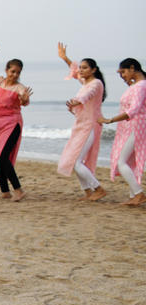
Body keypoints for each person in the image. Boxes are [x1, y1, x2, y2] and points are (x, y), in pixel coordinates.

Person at [0, 46, 33, 201]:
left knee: (3, 158)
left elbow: (25, 100)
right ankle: (5, 191)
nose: (15, 75)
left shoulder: (19, 88)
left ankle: (18, 190)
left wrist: (24, 99)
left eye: (18, 72)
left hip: (12, 124)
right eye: (12, 71)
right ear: (7, 70)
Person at [56, 43, 106, 201]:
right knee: (73, 160)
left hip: (90, 126)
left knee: (77, 162)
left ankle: (98, 188)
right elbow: (74, 70)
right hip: (80, 125)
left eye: (85, 68)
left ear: (93, 70)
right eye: (81, 67)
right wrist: (65, 58)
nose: (81, 70)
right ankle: (89, 192)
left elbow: (88, 96)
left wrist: (77, 101)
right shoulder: (85, 83)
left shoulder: (96, 84)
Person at [100, 58, 146, 205]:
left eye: (124, 72)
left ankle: (139, 193)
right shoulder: (137, 86)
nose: (123, 76)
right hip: (131, 127)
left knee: (122, 162)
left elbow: (133, 110)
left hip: (137, 126)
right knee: (129, 161)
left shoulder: (141, 86)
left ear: (132, 68)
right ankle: (134, 195)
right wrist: (130, 85)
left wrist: (110, 120)